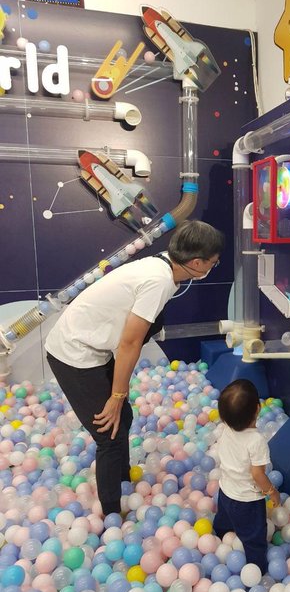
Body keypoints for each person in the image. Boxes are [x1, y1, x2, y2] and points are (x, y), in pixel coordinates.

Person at [45, 220, 224, 517]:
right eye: (213, 263)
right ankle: (113, 515)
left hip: (92, 346)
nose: (211, 267)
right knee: (110, 434)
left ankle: (123, 484)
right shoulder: (160, 280)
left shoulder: (161, 264)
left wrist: (119, 400)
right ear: (196, 262)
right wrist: (116, 397)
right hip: (74, 353)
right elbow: (129, 343)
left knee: (123, 418)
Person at [213, 379, 280, 574]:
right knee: (253, 537)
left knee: (223, 519)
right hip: (247, 501)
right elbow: (257, 474)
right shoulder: (256, 441)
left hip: (226, 491)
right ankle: (257, 568)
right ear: (258, 410)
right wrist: (271, 491)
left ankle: (220, 536)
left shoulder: (226, 429)